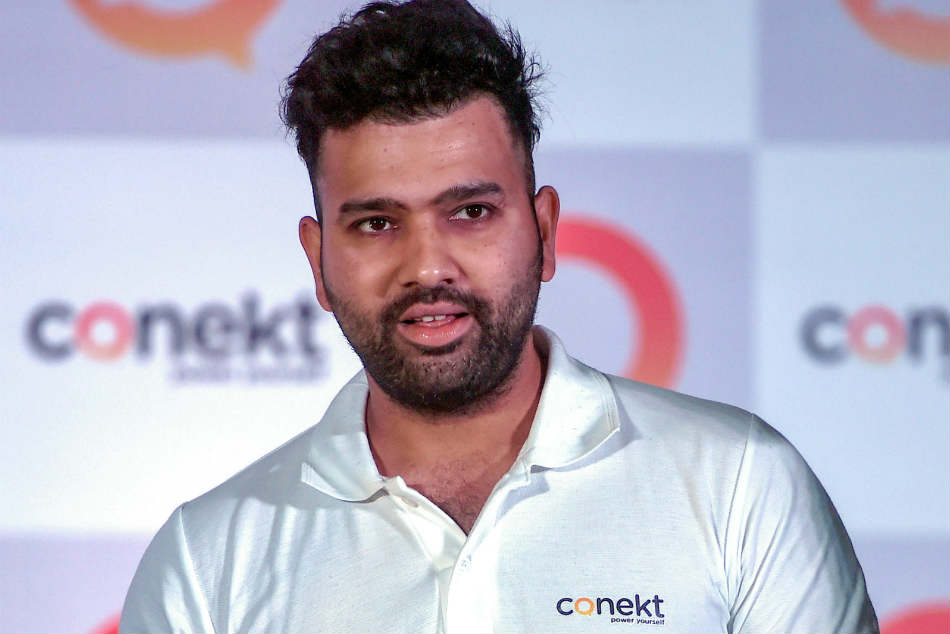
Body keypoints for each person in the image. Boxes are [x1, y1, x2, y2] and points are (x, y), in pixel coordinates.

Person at [119, 1, 879, 632]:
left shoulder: (739, 484)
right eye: (377, 224)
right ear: (317, 260)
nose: (428, 267)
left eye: (471, 212)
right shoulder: (208, 559)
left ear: (544, 231)